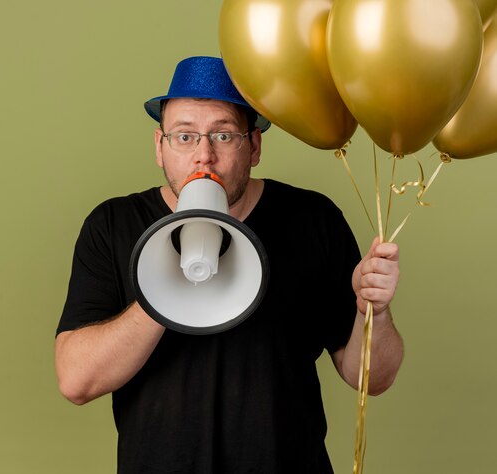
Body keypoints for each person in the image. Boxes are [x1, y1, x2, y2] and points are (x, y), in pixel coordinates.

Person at [55, 56, 403, 473]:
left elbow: (372, 379)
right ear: (160, 148)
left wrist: (373, 314)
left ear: (254, 146)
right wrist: (163, 291)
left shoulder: (312, 218)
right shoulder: (112, 225)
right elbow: (77, 382)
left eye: (223, 135)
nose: (204, 156)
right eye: (184, 137)